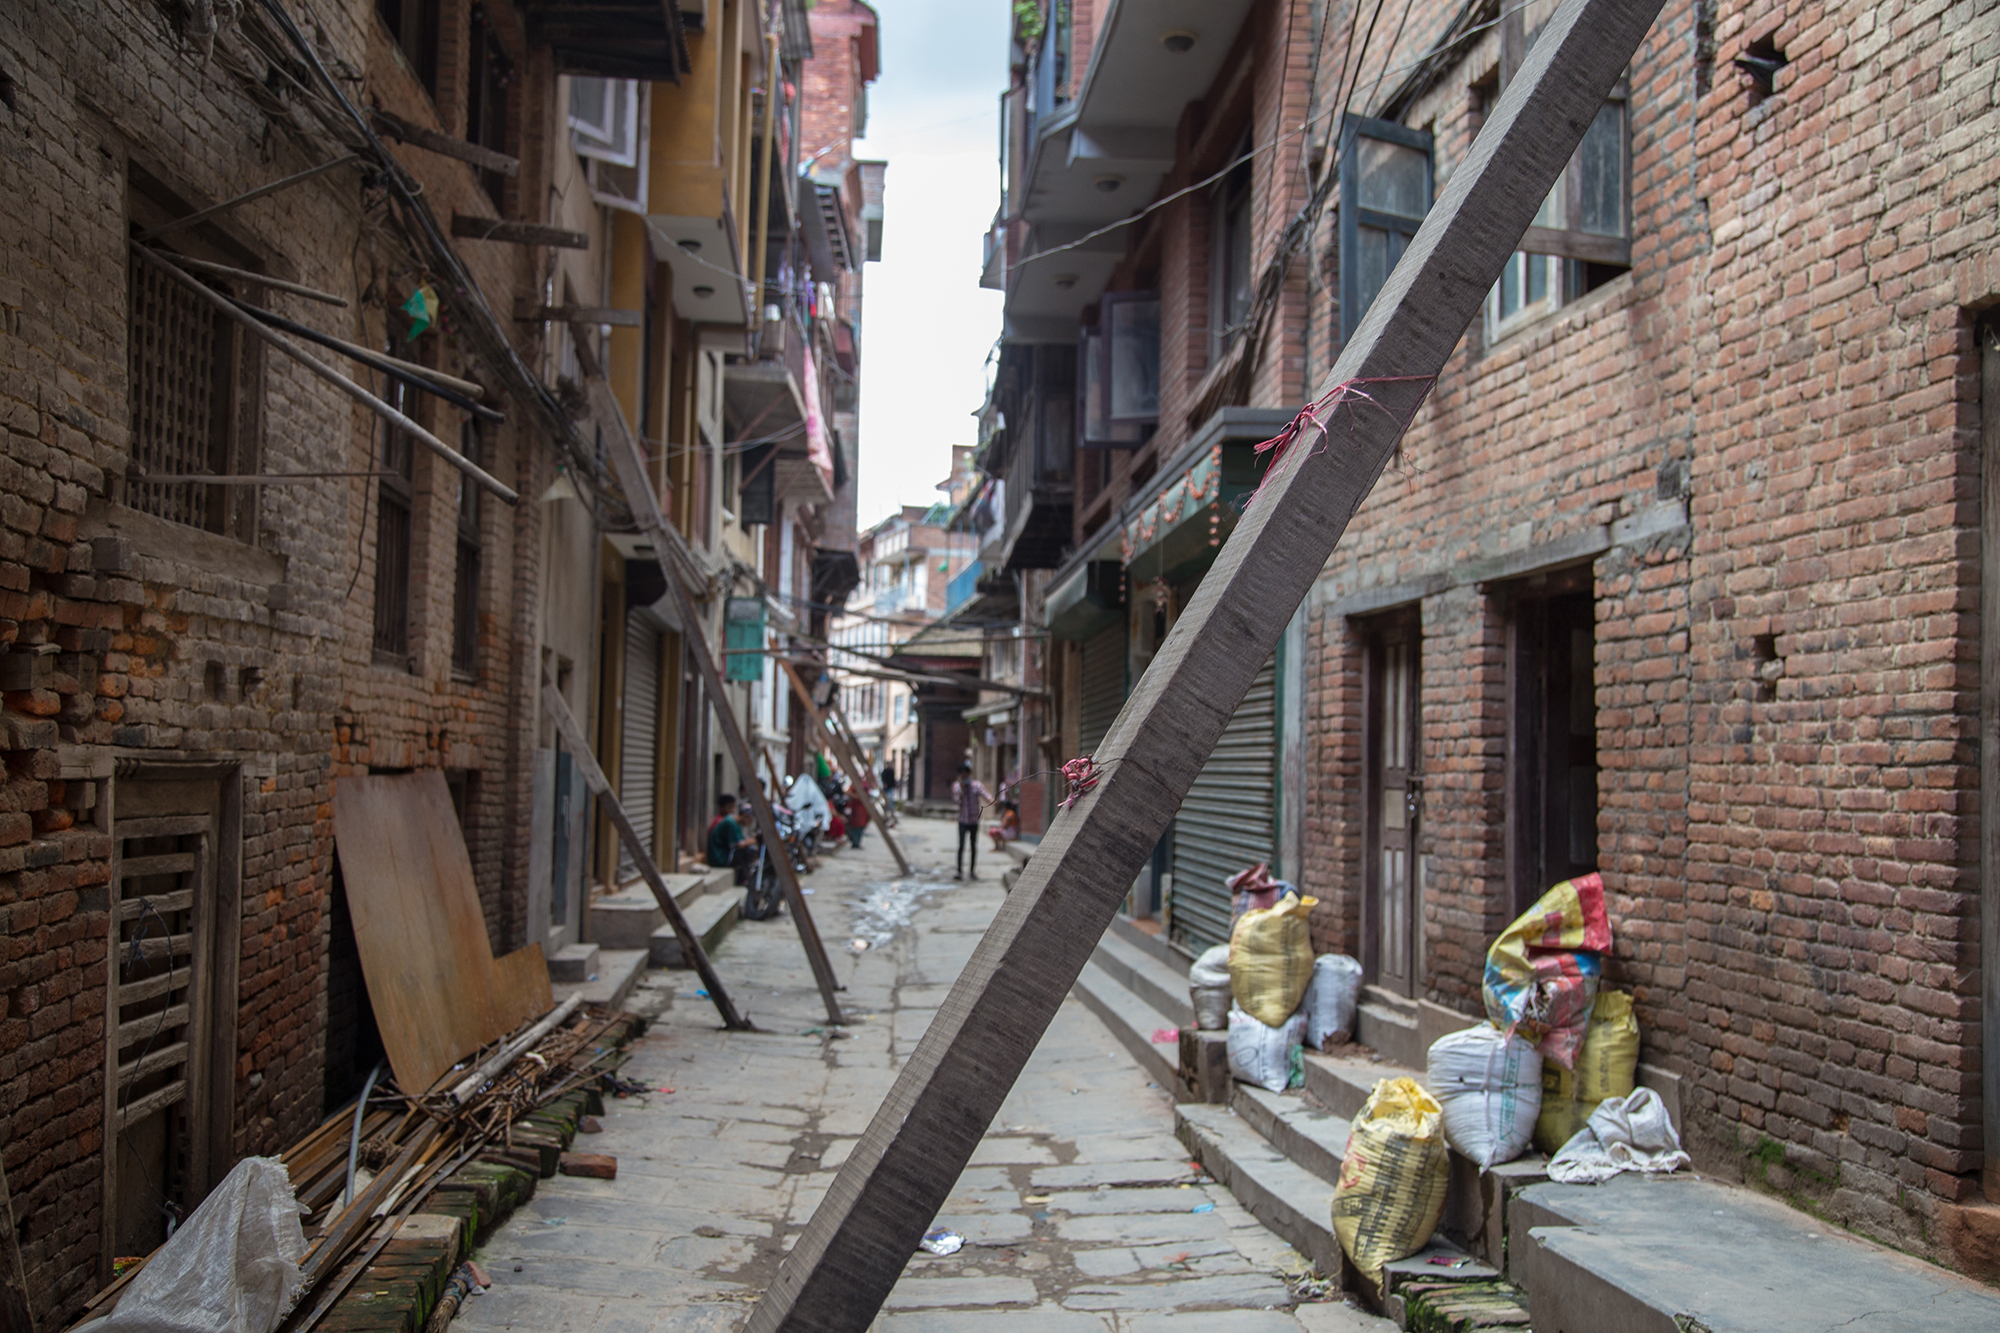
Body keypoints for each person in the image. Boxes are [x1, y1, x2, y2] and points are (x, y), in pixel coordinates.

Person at [951, 761, 991, 880]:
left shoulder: (976, 785)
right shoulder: (956, 787)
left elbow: (986, 795)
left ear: (969, 774)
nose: (964, 777)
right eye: (962, 775)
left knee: (973, 846)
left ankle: (972, 871)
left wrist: (993, 801)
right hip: (963, 820)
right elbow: (958, 802)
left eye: (965, 775)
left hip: (974, 820)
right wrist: (962, 791)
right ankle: (959, 871)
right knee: (961, 845)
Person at [706, 794, 744, 870]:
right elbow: (738, 844)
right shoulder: (725, 821)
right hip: (719, 858)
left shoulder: (724, 819)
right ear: (721, 807)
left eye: (733, 807)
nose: (732, 811)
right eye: (729, 807)